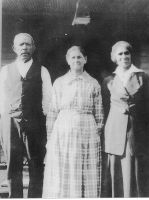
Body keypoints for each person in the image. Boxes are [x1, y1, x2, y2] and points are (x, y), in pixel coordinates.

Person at [42, 46, 104, 198]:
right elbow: (52, 112)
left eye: (79, 57)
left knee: (85, 168)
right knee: (64, 167)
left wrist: (96, 131)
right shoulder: (60, 82)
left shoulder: (93, 83)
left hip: (87, 131)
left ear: (85, 60)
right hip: (63, 131)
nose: (76, 60)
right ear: (68, 61)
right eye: (73, 57)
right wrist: (50, 138)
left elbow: (99, 113)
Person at [0, 33, 52, 198]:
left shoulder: (42, 71)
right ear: (15, 48)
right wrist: (6, 120)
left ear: (33, 48)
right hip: (10, 123)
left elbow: (48, 99)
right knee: (12, 165)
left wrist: (41, 120)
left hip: (35, 123)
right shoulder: (5, 70)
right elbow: (1, 98)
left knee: (36, 163)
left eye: (28, 44)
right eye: (21, 45)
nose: (24, 48)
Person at [102, 41, 149, 197]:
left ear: (131, 55)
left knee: (137, 169)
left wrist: (148, 133)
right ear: (114, 57)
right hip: (115, 130)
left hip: (136, 131)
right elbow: (105, 108)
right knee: (117, 170)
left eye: (127, 53)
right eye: (120, 54)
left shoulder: (142, 77)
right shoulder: (109, 80)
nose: (124, 56)